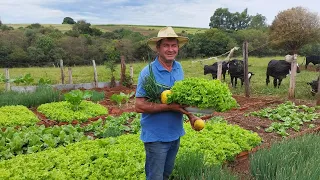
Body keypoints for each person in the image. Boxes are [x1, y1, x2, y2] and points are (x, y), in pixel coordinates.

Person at [135, 26, 199, 180]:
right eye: (166, 45)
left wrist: (191, 116)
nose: (171, 49)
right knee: (155, 177)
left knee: (166, 174)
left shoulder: (178, 68)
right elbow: (139, 106)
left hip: (175, 133)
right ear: (158, 48)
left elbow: (179, 101)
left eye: (174, 45)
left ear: (178, 48)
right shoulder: (148, 72)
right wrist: (167, 106)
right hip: (156, 136)